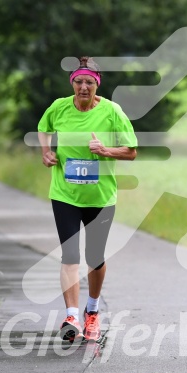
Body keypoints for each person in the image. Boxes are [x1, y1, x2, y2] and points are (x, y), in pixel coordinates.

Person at [38, 56, 138, 342]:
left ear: (97, 85)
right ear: (72, 83)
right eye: (79, 82)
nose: (84, 87)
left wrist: (106, 150)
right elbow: (44, 128)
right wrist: (46, 152)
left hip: (101, 196)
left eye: (89, 83)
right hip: (65, 193)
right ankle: (71, 315)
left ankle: (92, 311)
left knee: (95, 258)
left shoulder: (112, 111)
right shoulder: (59, 107)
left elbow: (131, 151)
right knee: (70, 255)